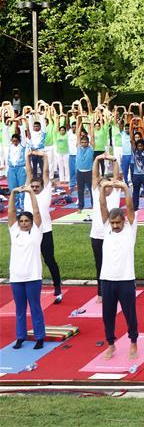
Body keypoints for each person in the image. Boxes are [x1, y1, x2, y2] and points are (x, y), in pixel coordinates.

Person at [98, 180, 138, 360]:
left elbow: (130, 207)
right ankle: (111, 344)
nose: (114, 225)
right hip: (107, 279)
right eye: (112, 222)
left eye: (117, 222)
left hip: (126, 279)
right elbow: (102, 204)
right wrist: (104, 187)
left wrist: (123, 188)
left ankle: (133, 342)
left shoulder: (130, 229)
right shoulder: (106, 228)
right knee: (107, 315)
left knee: (130, 314)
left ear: (123, 221)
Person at [8, 184, 45, 350]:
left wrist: (30, 193)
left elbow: (37, 212)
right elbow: (11, 213)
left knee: (35, 308)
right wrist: (13, 193)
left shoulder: (36, 232)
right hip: (16, 277)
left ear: (31, 222)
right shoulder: (14, 231)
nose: (23, 223)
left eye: (26, 221)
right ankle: (20, 337)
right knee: (20, 309)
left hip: (33, 277)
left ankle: (39, 337)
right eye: (21, 221)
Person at [24, 150, 62, 303]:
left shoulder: (46, 191)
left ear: (42, 186)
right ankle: (30, 288)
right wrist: (27, 156)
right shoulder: (28, 191)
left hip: (45, 231)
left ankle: (57, 286)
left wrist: (45, 156)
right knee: (30, 260)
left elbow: (45, 172)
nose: (34, 188)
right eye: (32, 186)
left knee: (49, 260)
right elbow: (29, 171)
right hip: (29, 232)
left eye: (36, 186)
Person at [89, 153, 121, 301]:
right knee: (99, 263)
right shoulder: (96, 193)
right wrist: (97, 159)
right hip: (97, 235)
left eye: (106, 184)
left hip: (114, 234)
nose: (103, 186)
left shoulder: (115, 192)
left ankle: (120, 287)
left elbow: (115, 175)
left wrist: (113, 160)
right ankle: (101, 292)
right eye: (101, 184)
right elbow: (95, 175)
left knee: (116, 261)